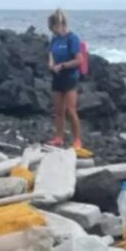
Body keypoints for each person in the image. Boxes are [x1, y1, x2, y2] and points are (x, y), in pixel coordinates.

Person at [47, 9, 83, 149]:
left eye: (52, 27)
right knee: (58, 111)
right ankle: (58, 137)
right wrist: (51, 64)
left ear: (59, 24)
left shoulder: (72, 38)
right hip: (57, 78)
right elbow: (51, 53)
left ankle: (77, 140)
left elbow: (79, 60)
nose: (51, 30)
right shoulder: (55, 39)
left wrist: (63, 65)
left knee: (70, 110)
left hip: (70, 78)